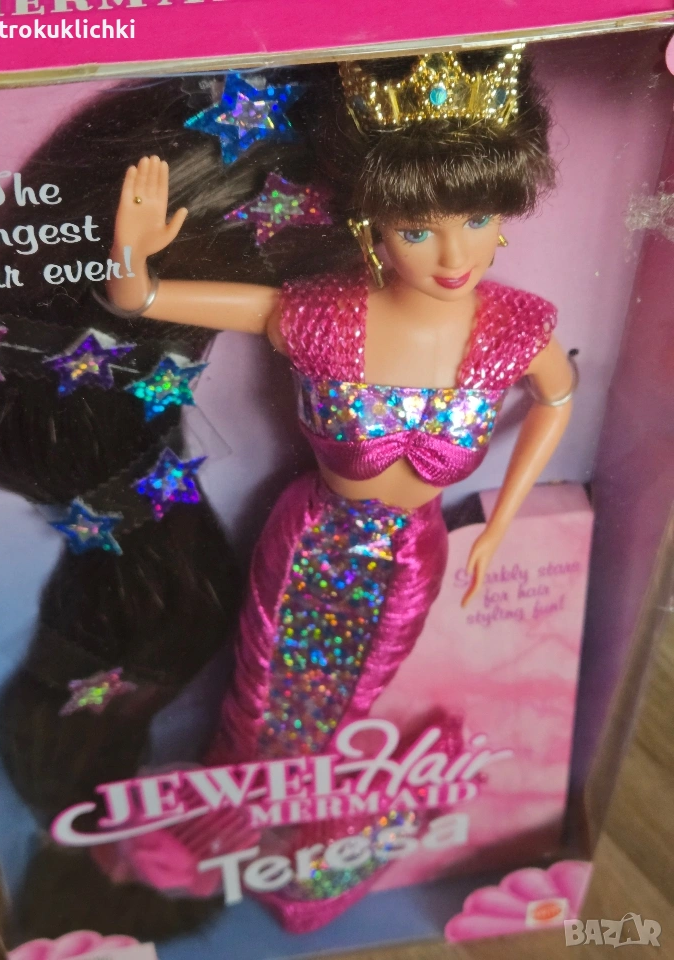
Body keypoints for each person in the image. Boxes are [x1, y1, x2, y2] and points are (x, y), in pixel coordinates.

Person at [100, 47, 575, 930]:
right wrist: (133, 261)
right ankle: (236, 828)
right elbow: (142, 300)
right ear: (371, 226)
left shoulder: (515, 329)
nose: (454, 254)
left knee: (353, 701)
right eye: (417, 229)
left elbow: (558, 398)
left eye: (477, 219)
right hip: (313, 544)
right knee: (261, 693)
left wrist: (500, 524)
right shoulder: (323, 315)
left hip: (410, 557)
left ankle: (311, 832)